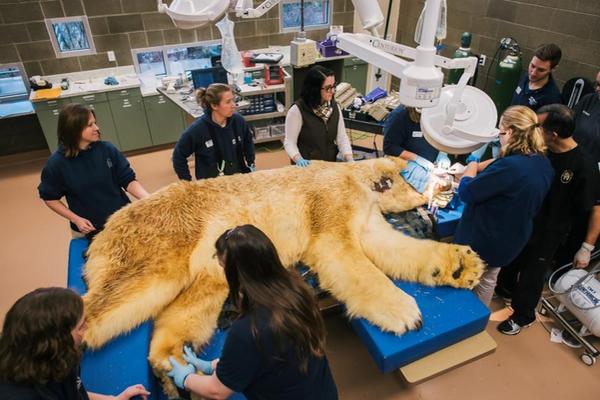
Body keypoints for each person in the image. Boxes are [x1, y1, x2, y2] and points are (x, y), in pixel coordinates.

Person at [168, 225, 338, 400]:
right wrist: (216, 367)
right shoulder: (297, 290)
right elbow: (279, 356)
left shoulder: (248, 329)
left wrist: (186, 378)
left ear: (239, 274)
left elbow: (217, 391)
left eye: (224, 267)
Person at [495, 104, 600, 335]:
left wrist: (586, 246)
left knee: (533, 273)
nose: (532, 129)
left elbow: (595, 209)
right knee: (512, 259)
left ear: (553, 134)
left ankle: (523, 316)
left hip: (550, 231)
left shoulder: (584, 166)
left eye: (537, 126)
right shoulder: (541, 149)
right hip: (525, 220)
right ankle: (504, 289)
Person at [453, 105, 554, 306]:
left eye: (500, 132)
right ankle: (477, 320)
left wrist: (470, 167)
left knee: (463, 281)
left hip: (484, 242)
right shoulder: (542, 162)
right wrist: (482, 166)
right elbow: (503, 163)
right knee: (488, 280)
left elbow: (466, 192)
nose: (499, 137)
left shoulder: (510, 168)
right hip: (510, 241)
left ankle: (460, 317)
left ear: (509, 132)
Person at [0, 287, 150, 400]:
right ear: (55, 340)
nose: (87, 328)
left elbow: (73, 391)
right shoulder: (19, 394)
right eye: (81, 327)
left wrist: (113, 399)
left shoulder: (61, 356)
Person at [38, 104, 149, 238]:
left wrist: (148, 199)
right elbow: (50, 198)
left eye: (95, 123)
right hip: (89, 230)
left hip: (122, 221)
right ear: (73, 129)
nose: (97, 128)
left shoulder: (107, 149)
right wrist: (75, 219)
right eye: (90, 125)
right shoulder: (56, 164)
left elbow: (128, 180)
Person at [172, 83, 256, 180]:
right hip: (211, 185)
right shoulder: (197, 130)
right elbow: (178, 156)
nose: (234, 105)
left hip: (238, 179)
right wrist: (187, 183)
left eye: (233, 100)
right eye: (228, 102)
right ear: (214, 106)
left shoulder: (238, 121)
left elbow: (248, 142)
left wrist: (251, 164)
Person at [284, 65, 353, 166]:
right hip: (307, 167)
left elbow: (341, 137)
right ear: (314, 89)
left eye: (334, 86)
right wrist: (298, 159)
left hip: (329, 164)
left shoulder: (335, 107)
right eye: (328, 88)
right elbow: (289, 142)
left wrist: (349, 158)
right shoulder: (297, 110)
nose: (332, 91)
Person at [383, 105, 451, 170]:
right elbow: (389, 147)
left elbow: (444, 134)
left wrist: (443, 153)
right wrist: (416, 159)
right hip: (408, 165)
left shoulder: (441, 112)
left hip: (434, 163)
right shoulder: (399, 115)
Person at [510, 43, 563, 112]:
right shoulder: (527, 76)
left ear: (553, 69)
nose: (533, 73)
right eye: (532, 66)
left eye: (541, 70)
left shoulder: (551, 98)